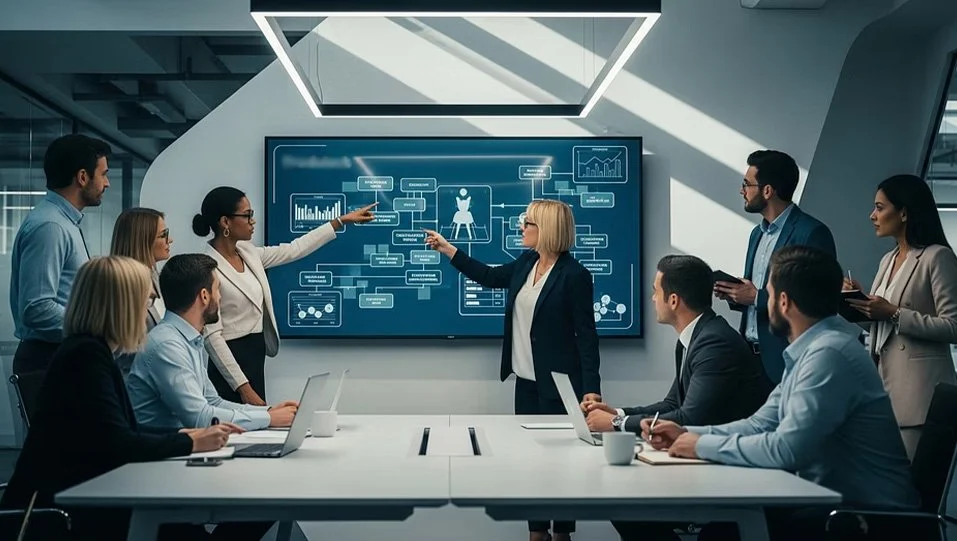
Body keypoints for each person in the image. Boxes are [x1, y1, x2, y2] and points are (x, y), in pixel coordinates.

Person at [640, 246, 918, 541]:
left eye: (769, 294)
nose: (765, 303)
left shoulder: (829, 355)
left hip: (866, 520)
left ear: (783, 302)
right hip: (837, 505)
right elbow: (760, 424)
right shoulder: (813, 350)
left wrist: (699, 446)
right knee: (723, 530)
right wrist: (686, 432)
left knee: (722, 534)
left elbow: (786, 450)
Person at [0, 256, 241, 541]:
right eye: (146, 301)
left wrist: (182, 433)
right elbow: (118, 444)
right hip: (66, 515)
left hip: (86, 498)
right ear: (123, 305)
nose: (148, 312)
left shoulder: (90, 352)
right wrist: (188, 441)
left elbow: (115, 433)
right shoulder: (86, 357)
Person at [425, 199, 599, 541]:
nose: (522, 228)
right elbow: (490, 277)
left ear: (546, 229)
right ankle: (537, 532)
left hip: (561, 387)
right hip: (526, 383)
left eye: (528, 223)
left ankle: (561, 534)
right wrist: (449, 250)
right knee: (530, 465)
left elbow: (586, 336)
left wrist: (592, 388)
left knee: (561, 467)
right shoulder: (526, 262)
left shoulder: (575, 275)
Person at [191, 186, 376, 405]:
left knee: (258, 426)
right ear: (225, 222)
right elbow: (213, 337)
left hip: (255, 355)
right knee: (235, 428)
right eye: (247, 215)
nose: (253, 221)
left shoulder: (249, 253)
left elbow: (294, 249)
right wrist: (244, 388)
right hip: (230, 363)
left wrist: (340, 221)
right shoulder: (206, 268)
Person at [582, 255, 771, 432]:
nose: (653, 298)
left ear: (673, 300)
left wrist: (617, 423)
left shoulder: (715, 343)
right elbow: (672, 404)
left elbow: (689, 418)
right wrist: (617, 413)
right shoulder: (698, 336)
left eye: (656, 291)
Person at [844, 175, 957, 459]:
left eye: (880, 207)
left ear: (904, 212)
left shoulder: (937, 257)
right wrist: (858, 303)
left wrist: (893, 312)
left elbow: (954, 327)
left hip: (919, 396)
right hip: (883, 390)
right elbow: (882, 326)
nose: (872, 215)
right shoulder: (888, 259)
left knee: (912, 488)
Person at [127, 254, 299, 432]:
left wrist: (269, 411)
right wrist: (269, 418)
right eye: (218, 290)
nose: (220, 297)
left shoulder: (187, 339)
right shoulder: (167, 345)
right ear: (204, 296)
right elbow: (200, 417)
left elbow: (213, 402)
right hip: (162, 456)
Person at [714, 150, 836, 383]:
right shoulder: (756, 234)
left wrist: (756, 298)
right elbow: (757, 294)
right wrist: (735, 294)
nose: (742, 191)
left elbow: (819, 301)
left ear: (767, 190)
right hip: (750, 359)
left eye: (746, 184)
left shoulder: (812, 233)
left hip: (788, 361)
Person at [9, 134, 110, 375]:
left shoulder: (64, 222)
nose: (107, 183)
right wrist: (98, 326)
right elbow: (37, 308)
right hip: (48, 358)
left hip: (61, 354)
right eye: (103, 174)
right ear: (83, 177)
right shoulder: (50, 226)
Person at [110, 207, 172, 376]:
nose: (170, 240)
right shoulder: (123, 288)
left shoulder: (154, 277)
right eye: (163, 235)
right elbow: (122, 351)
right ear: (142, 240)